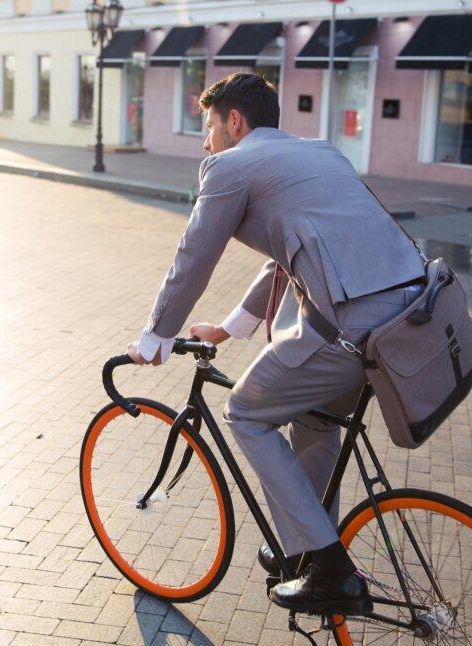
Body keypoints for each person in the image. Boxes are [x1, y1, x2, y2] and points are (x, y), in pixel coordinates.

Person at [127, 73, 425, 616]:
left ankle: (330, 569)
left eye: (209, 126)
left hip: (349, 331)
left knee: (244, 412)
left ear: (234, 121)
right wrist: (228, 328)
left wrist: (157, 336)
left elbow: (194, 255)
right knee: (312, 423)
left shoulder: (230, 166)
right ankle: (305, 550)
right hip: (405, 320)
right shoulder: (321, 153)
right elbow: (288, 257)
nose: (205, 141)